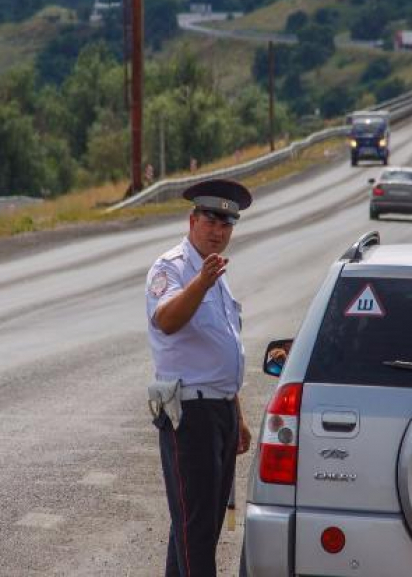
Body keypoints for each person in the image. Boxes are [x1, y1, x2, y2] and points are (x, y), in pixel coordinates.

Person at [145, 178, 253, 577]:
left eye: (226, 224)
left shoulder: (216, 275)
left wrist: (237, 414)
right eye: (210, 220)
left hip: (219, 410)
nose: (218, 230)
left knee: (197, 525)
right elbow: (168, 320)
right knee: (196, 530)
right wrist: (200, 283)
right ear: (193, 220)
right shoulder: (172, 268)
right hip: (189, 414)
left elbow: (222, 349)